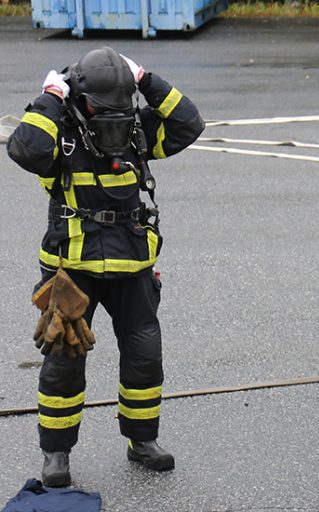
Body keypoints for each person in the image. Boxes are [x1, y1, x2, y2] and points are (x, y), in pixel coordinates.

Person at [6, 47, 204, 487]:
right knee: (64, 360)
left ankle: (142, 440)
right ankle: (56, 453)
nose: (110, 116)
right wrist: (50, 99)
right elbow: (24, 149)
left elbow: (189, 123)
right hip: (71, 266)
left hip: (132, 261)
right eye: (101, 107)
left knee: (144, 356)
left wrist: (147, 78)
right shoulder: (58, 130)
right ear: (78, 98)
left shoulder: (134, 130)